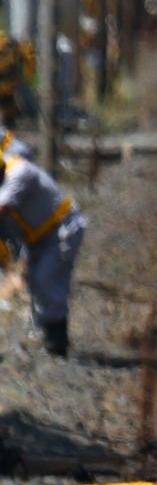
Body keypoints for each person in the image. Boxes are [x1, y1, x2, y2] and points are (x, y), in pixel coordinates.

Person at [0, 144, 86, 357]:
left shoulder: (19, 173)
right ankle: (51, 337)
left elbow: (2, 207)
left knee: (46, 278)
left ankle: (57, 342)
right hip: (37, 239)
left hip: (61, 229)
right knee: (37, 284)